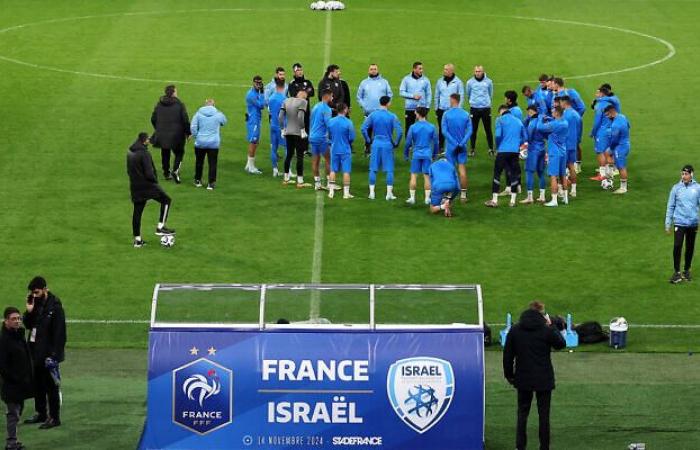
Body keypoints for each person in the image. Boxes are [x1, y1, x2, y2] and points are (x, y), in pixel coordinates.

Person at [503, 301, 566, 450]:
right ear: (541, 313)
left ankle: (520, 446)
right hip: (544, 378)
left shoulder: (515, 329)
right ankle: (544, 447)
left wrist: (510, 376)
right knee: (544, 416)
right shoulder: (546, 330)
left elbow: (508, 356)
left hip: (523, 378)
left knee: (522, 414)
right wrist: (552, 326)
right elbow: (561, 344)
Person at [22, 277, 66, 430]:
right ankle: (41, 413)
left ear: (44, 289)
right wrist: (29, 311)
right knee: (38, 385)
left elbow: (60, 334)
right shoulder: (36, 304)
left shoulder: (55, 307)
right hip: (34, 351)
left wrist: (54, 356)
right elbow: (28, 325)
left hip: (48, 354)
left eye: (36, 292)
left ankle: (54, 418)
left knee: (51, 387)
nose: (34, 295)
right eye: (32, 293)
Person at [127, 133, 175, 246]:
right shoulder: (144, 154)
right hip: (148, 185)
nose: (149, 140)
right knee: (166, 200)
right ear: (144, 141)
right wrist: (155, 181)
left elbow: (128, 171)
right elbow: (149, 173)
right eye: (148, 139)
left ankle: (137, 240)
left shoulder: (130, 152)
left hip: (135, 186)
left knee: (137, 212)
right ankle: (160, 227)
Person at [0, 306, 33, 449]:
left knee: (18, 412)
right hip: (11, 384)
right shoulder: (3, 341)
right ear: (6, 321)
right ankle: (11, 443)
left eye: (19, 318)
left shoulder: (19, 335)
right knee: (13, 414)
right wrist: (14, 378)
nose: (17, 321)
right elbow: (2, 366)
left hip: (21, 383)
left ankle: (13, 441)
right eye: (13, 319)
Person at [484, 105, 527, 208]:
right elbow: (525, 137)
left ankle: (494, 200)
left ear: (501, 111)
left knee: (497, 174)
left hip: (503, 150)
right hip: (514, 151)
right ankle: (512, 201)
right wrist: (517, 143)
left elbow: (498, 135)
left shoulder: (500, 120)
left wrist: (498, 146)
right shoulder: (518, 121)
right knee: (514, 173)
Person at [361, 96, 402, 200]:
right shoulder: (392, 116)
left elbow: (363, 128)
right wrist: (396, 142)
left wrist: (368, 140)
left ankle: (372, 193)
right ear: (388, 103)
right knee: (389, 170)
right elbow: (400, 132)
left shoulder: (373, 115)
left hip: (375, 144)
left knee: (373, 169)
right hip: (387, 144)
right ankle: (389, 194)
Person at [665, 165, 700, 283]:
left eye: (686, 174)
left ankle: (686, 271)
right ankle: (677, 272)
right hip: (679, 222)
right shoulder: (676, 188)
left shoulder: (698, 188)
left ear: (691, 175)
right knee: (677, 246)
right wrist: (668, 223)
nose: (683, 176)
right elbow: (670, 206)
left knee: (690, 247)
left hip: (692, 223)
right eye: (682, 174)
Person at [150, 84, 190, 183]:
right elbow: (185, 120)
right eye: (176, 91)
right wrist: (188, 133)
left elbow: (153, 119)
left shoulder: (159, 104)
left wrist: (159, 128)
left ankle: (166, 173)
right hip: (177, 134)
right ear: (173, 93)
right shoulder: (179, 105)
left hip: (162, 134)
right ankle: (175, 170)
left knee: (165, 152)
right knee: (179, 152)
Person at [440, 93, 472, 202]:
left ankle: (449, 193)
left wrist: (454, 142)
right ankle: (463, 195)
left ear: (453, 100)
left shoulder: (446, 114)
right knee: (462, 169)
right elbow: (470, 131)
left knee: (450, 170)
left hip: (450, 146)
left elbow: (444, 131)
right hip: (462, 146)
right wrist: (462, 143)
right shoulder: (466, 114)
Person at [404, 107, 439, 205]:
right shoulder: (431, 127)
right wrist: (435, 154)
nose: (415, 114)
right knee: (427, 177)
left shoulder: (413, 127)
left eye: (416, 113)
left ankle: (412, 198)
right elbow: (436, 142)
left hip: (416, 154)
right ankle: (427, 199)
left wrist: (406, 154)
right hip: (427, 154)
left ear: (418, 114)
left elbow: (407, 142)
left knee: (414, 176)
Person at [190, 98, 227, 190]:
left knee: (199, 162)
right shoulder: (218, 114)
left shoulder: (198, 114)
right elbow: (224, 122)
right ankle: (211, 184)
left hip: (200, 142)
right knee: (212, 163)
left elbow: (193, 127)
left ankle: (197, 180)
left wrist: (196, 136)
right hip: (213, 143)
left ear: (205, 105)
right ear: (213, 105)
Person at [357, 64, 393, 154]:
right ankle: (367, 147)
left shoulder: (384, 82)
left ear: (378, 70)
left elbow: (390, 94)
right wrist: (364, 106)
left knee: (380, 131)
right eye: (371, 69)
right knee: (368, 130)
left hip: (381, 112)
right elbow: (359, 97)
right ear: (368, 71)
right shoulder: (364, 82)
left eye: (375, 69)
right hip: (368, 112)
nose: (373, 71)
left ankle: (381, 149)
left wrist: (387, 104)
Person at [537, 106, 569, 207]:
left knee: (553, 176)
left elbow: (539, 127)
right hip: (563, 151)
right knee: (563, 175)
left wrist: (540, 118)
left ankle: (554, 200)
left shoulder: (554, 124)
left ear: (556, 113)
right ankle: (565, 198)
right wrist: (550, 119)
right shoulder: (565, 122)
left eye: (553, 112)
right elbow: (555, 122)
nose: (552, 113)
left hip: (554, 153)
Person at [590, 86, 621, 181]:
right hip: (611, 130)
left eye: (597, 93)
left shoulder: (600, 106)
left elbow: (597, 122)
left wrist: (593, 132)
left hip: (602, 131)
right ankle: (609, 173)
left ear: (602, 94)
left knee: (600, 152)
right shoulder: (611, 103)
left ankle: (602, 174)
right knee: (609, 151)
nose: (596, 95)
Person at [279, 90, 309, 187]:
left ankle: (286, 178)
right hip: (298, 133)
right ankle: (300, 181)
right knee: (300, 156)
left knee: (289, 154)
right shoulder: (303, 102)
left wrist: (282, 129)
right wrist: (303, 130)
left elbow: (280, 117)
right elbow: (300, 117)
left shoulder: (286, 100)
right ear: (303, 97)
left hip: (288, 132)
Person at [520, 105, 548, 204]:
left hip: (533, 150)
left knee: (529, 172)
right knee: (541, 173)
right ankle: (542, 196)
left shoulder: (532, 123)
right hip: (542, 148)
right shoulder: (543, 121)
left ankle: (530, 197)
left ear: (531, 111)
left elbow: (528, 138)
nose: (527, 114)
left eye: (528, 112)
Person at [327, 103, 355, 199]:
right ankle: (346, 194)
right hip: (345, 149)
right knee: (346, 171)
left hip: (334, 148)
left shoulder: (331, 121)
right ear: (345, 110)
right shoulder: (348, 122)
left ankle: (331, 192)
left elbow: (328, 135)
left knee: (333, 170)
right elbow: (352, 137)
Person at [434, 64, 464, 151]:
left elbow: (461, 96)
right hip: (441, 109)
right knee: (441, 129)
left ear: (452, 71)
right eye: (444, 69)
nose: (444, 71)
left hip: (452, 110)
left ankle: (453, 146)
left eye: (446, 70)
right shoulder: (440, 81)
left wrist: (459, 109)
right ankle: (441, 147)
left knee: (452, 129)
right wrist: (436, 108)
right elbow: (437, 95)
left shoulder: (458, 82)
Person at [466, 65, 494, 156]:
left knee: (488, 129)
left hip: (486, 108)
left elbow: (490, 93)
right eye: (476, 71)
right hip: (474, 109)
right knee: (473, 130)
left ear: (483, 71)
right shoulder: (470, 82)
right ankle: (472, 149)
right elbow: (468, 93)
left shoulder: (489, 82)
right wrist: (474, 102)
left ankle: (491, 148)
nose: (477, 73)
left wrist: (486, 102)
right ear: (474, 72)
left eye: (479, 71)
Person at [309, 90, 334, 190]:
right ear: (327, 96)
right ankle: (329, 183)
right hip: (322, 138)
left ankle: (317, 183)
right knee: (329, 159)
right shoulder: (327, 109)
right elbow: (329, 124)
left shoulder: (316, 106)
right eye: (331, 96)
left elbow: (311, 120)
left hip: (313, 136)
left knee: (315, 160)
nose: (332, 98)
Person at [287, 63, 315, 153]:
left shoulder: (308, 82)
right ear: (294, 72)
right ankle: (296, 148)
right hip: (297, 111)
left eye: (300, 70)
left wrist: (303, 93)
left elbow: (312, 92)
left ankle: (305, 148)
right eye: (297, 70)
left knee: (306, 128)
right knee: (297, 129)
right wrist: (305, 93)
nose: (300, 72)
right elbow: (295, 95)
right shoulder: (292, 84)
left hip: (306, 110)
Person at [399, 62, 432, 135]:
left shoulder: (426, 80)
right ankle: (409, 146)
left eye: (422, 69)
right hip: (410, 108)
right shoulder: (406, 79)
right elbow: (401, 92)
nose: (421, 70)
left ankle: (422, 144)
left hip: (422, 108)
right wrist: (413, 96)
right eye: (420, 69)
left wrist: (427, 106)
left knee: (423, 128)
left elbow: (429, 94)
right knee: (409, 128)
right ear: (414, 69)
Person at [604, 104, 631, 194]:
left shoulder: (615, 125)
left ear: (612, 113)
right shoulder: (622, 116)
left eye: (607, 115)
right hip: (625, 143)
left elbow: (614, 140)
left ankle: (623, 188)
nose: (607, 117)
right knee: (607, 153)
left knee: (621, 167)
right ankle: (610, 172)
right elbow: (628, 125)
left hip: (620, 147)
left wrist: (611, 148)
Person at [560, 96, 582, 197]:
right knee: (572, 166)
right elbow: (580, 129)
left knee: (561, 168)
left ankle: (562, 190)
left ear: (565, 102)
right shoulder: (577, 114)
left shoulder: (565, 114)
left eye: (561, 102)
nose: (560, 104)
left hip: (564, 144)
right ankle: (573, 190)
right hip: (573, 144)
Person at [245, 75, 266, 174]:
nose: (259, 85)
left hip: (255, 120)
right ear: (253, 83)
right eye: (257, 83)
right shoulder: (251, 95)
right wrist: (262, 94)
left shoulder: (255, 92)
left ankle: (248, 165)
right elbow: (261, 105)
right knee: (253, 142)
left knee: (255, 142)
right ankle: (251, 167)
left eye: (260, 83)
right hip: (253, 121)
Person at [267, 79, 288, 177]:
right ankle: (287, 171)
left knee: (274, 148)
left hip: (273, 125)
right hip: (282, 126)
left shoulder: (271, 98)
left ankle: (275, 170)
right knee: (287, 148)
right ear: (284, 87)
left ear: (275, 87)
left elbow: (270, 112)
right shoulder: (284, 99)